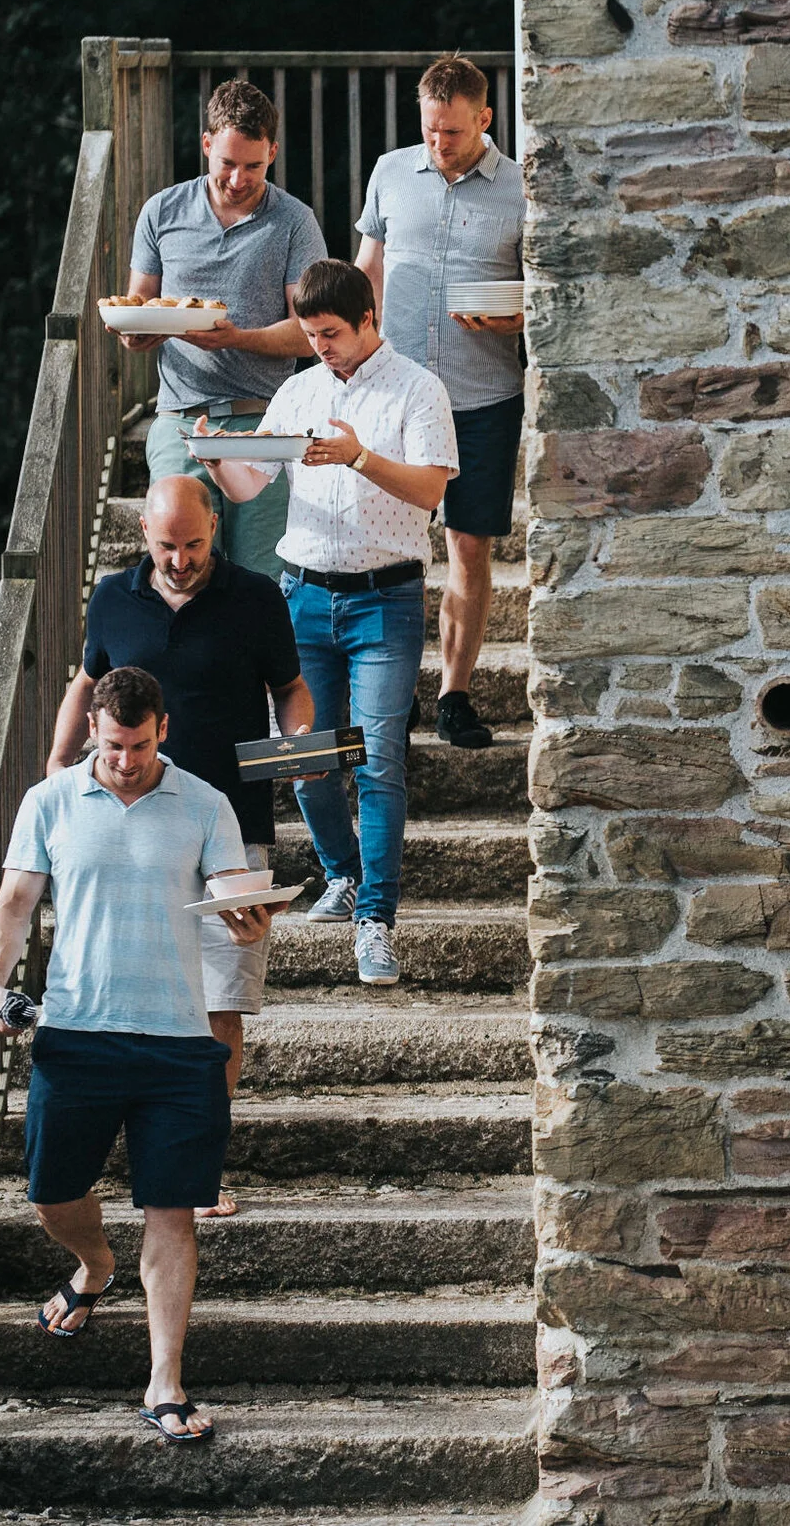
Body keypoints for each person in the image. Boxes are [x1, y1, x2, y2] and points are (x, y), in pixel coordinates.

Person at [0, 667, 279, 1445]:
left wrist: (249, 923)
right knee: (49, 1195)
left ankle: (165, 1382)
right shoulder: (48, 802)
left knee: (173, 1211)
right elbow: (14, 904)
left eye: (140, 746)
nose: (125, 760)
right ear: (93, 734)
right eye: (113, 745)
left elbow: (235, 895)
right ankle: (93, 1266)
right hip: (76, 1032)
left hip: (180, 1043)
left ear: (163, 732)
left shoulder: (206, 803)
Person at [46, 473, 312, 1217]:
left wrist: (297, 743)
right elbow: (87, 680)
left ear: (215, 531)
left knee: (222, 1005)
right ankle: (128, 1163)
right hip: (130, 834)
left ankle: (195, 1173)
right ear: (144, 537)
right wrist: (55, 763)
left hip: (231, 826)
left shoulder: (257, 597)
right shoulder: (110, 597)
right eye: (167, 545)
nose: (181, 558)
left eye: (194, 544)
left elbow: (290, 688)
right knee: (133, 1003)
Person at [194, 259, 456, 986]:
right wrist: (217, 458)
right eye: (311, 335)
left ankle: (376, 918)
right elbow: (253, 483)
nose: (322, 348)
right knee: (298, 757)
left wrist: (360, 457)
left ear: (369, 318)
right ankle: (341, 872)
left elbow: (431, 488)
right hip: (302, 596)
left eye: (332, 333)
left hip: (386, 598)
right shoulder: (298, 389)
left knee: (376, 758)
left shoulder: (418, 389)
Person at [355, 54, 525, 749]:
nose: (439, 142)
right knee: (386, 547)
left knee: (467, 545)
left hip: (483, 394)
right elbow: (366, 269)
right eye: (429, 130)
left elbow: (542, 293)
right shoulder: (391, 173)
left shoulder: (521, 189)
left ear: (484, 119)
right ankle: (390, 697)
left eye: (452, 131)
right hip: (395, 393)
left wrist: (515, 319)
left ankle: (454, 693)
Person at [113, 78, 329, 576]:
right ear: (206, 144)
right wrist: (137, 331)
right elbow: (136, 308)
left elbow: (310, 333)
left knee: (261, 579)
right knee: (177, 568)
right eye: (227, 163)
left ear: (272, 152)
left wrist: (236, 339)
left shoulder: (295, 222)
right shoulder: (161, 212)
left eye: (253, 166)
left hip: (264, 424)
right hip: (179, 420)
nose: (238, 178)